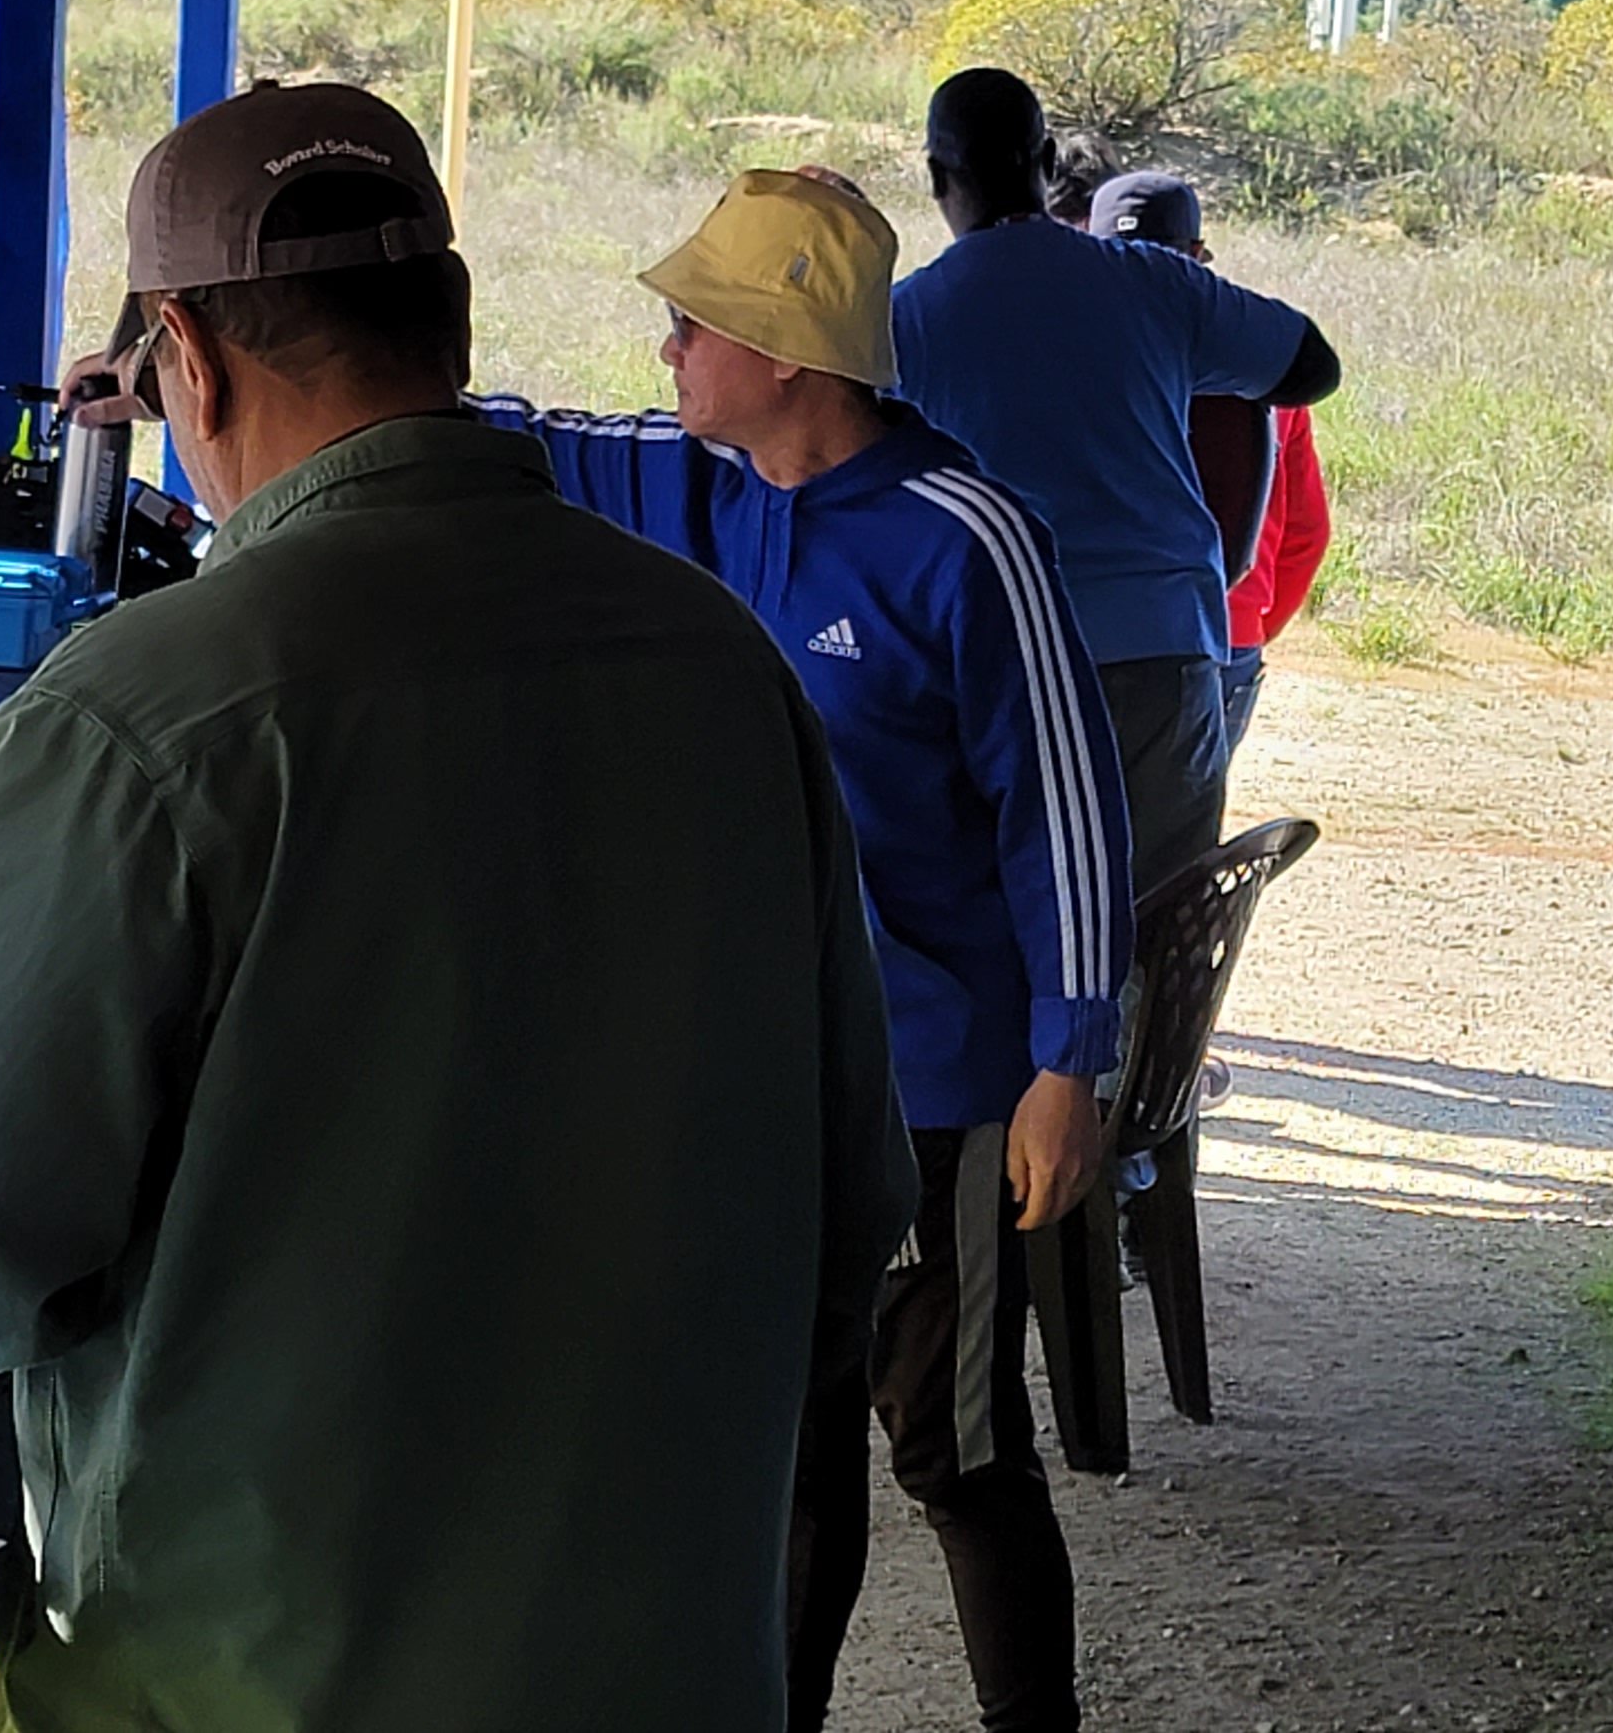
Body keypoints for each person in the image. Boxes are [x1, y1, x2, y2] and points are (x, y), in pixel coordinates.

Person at [0, 84, 920, 1733]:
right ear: (454, 320)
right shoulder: (723, 665)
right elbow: (852, 1205)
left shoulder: (146, 714)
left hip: (242, 1682)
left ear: (190, 364)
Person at [472, 169, 1127, 1733]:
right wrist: (177, 382)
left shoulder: (969, 538)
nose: (669, 351)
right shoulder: (698, 481)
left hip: (936, 1082)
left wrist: (1071, 1060)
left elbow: (1067, 809)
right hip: (760, 1072)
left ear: (783, 355)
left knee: (958, 1451)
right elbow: (498, 437)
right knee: (787, 1447)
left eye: (694, 326)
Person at [892, 69, 1341, 894]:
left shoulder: (901, 323)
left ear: (936, 178)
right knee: (1156, 911)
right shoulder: (1153, 283)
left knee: (1009, 913)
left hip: (996, 653)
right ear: (1047, 161)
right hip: (1161, 646)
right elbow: (1310, 367)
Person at [1090, 171, 1332, 739]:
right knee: (1190, 798)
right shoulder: (1260, 363)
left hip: (1101, 624)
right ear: (1197, 256)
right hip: (1225, 627)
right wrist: (1250, 622)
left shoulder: (1075, 356)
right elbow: (1305, 531)